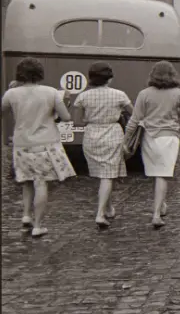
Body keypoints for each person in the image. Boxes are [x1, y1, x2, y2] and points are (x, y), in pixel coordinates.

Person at [0, 57, 77, 237]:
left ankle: (26, 215)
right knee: (41, 183)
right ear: (39, 73)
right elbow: (66, 117)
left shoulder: (11, 94)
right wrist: (64, 103)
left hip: (21, 143)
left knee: (27, 181)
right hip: (45, 143)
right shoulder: (51, 92)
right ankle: (38, 225)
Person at [126, 60, 180, 228]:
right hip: (169, 137)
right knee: (163, 174)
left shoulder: (144, 94)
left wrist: (125, 140)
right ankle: (156, 214)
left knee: (155, 173)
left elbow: (134, 120)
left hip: (149, 137)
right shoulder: (178, 93)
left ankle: (161, 205)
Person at [72, 62, 134, 229]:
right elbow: (133, 113)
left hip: (91, 135)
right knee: (108, 174)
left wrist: (91, 118)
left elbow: (78, 121)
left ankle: (108, 208)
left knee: (103, 174)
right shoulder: (119, 95)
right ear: (109, 78)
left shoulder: (83, 97)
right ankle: (100, 213)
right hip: (112, 133)